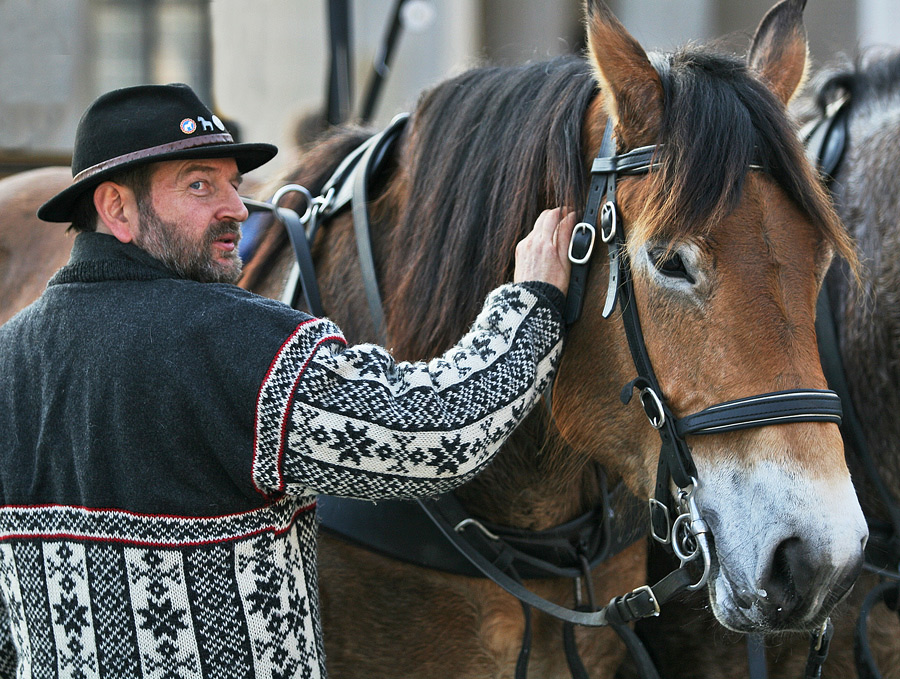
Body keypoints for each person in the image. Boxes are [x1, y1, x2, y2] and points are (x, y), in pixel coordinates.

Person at [0, 83, 576, 678]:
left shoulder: (7, 360)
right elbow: (436, 437)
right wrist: (530, 301)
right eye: (200, 185)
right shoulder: (241, 345)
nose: (237, 208)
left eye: (232, 183)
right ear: (117, 208)